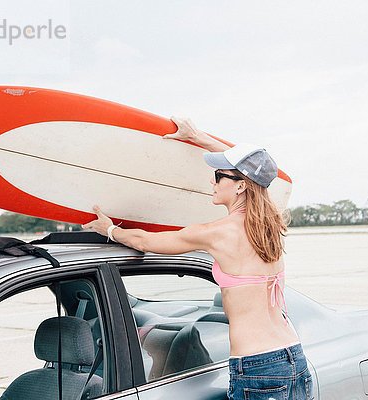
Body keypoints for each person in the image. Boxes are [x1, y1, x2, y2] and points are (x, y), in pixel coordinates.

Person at [82, 117, 313, 399]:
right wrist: (197, 136)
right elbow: (259, 173)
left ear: (240, 186)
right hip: (292, 356)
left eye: (219, 177)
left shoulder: (216, 234)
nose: (212, 182)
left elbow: (144, 241)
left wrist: (109, 229)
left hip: (257, 367)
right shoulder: (271, 226)